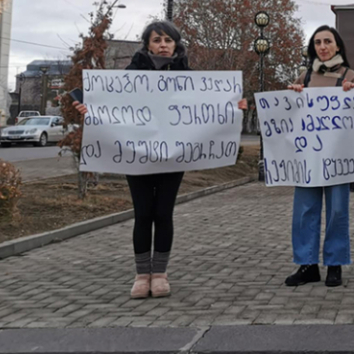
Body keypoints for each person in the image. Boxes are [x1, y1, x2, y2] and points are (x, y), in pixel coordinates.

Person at [73, 20, 248, 299]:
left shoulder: (190, 77)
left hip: (172, 156)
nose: (163, 45)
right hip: (137, 155)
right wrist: (87, 108)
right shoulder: (129, 76)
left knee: (163, 213)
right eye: (157, 40)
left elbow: (211, 106)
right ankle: (142, 275)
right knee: (143, 213)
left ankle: (161, 273)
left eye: (168, 40)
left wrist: (234, 106)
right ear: (147, 44)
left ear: (176, 44)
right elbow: (107, 105)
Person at [284, 25, 354, 288]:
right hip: (308, 157)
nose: (323, 47)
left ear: (338, 45)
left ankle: (334, 265)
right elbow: (290, 117)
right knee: (304, 211)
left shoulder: (351, 76)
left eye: (328, 41)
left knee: (337, 212)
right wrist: (291, 96)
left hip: (338, 159)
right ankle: (307, 265)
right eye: (318, 42)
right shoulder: (304, 77)